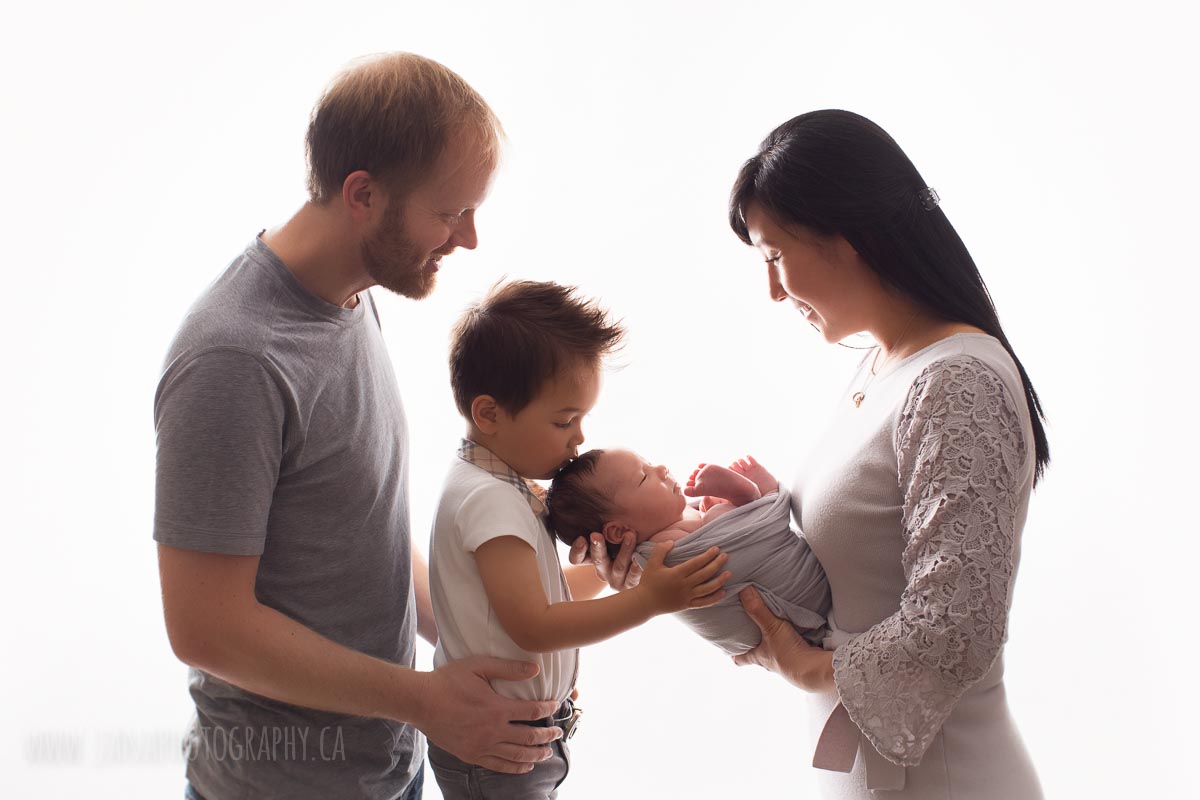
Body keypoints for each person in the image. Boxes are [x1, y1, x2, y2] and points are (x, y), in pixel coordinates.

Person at [153, 53, 565, 800]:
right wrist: (421, 700)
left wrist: (502, 634)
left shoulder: (349, 295)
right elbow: (206, 628)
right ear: (363, 195)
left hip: (386, 769)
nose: (468, 237)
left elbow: (354, 529)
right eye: (449, 213)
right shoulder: (235, 357)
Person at [724, 110, 1050, 798]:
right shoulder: (883, 365)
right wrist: (704, 534)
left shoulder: (956, 380)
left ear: (848, 237)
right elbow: (859, 562)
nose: (773, 291)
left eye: (775, 257)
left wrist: (803, 667)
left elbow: (954, 628)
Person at [427, 280, 731, 799]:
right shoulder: (489, 500)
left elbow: (542, 596)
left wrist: (612, 570)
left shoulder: (504, 484)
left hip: (524, 734)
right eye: (565, 420)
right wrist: (647, 601)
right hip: (497, 744)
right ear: (489, 414)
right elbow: (534, 625)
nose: (580, 437)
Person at [547, 450, 829, 654]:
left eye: (650, 462)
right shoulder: (661, 550)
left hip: (790, 627)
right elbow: (736, 535)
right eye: (644, 477)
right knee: (723, 510)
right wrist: (737, 494)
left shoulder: (685, 517)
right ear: (619, 532)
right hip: (790, 612)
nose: (661, 469)